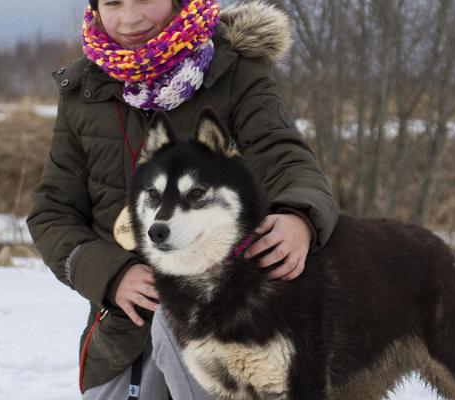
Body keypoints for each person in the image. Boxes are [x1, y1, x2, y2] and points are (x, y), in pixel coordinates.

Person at [26, 0, 338, 398]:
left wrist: (300, 216)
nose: (130, 18)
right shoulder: (82, 90)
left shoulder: (233, 71)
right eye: (113, 3)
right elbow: (52, 212)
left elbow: (288, 161)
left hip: (228, 315)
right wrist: (111, 275)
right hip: (125, 332)